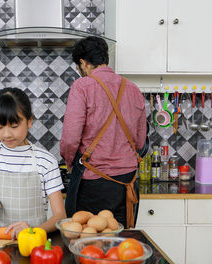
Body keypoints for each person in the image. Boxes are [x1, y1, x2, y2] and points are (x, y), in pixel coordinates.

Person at [60, 36, 147, 228]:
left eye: (78, 67)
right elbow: (140, 143)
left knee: (89, 243)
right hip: (128, 183)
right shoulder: (133, 89)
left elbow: (70, 139)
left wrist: (69, 164)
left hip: (93, 183)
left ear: (83, 63)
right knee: (120, 244)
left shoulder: (82, 86)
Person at [0, 88, 66, 239]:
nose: (7, 134)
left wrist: (32, 231)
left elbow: (60, 216)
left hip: (33, 242)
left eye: (14, 127)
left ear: (29, 121)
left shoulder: (46, 161)